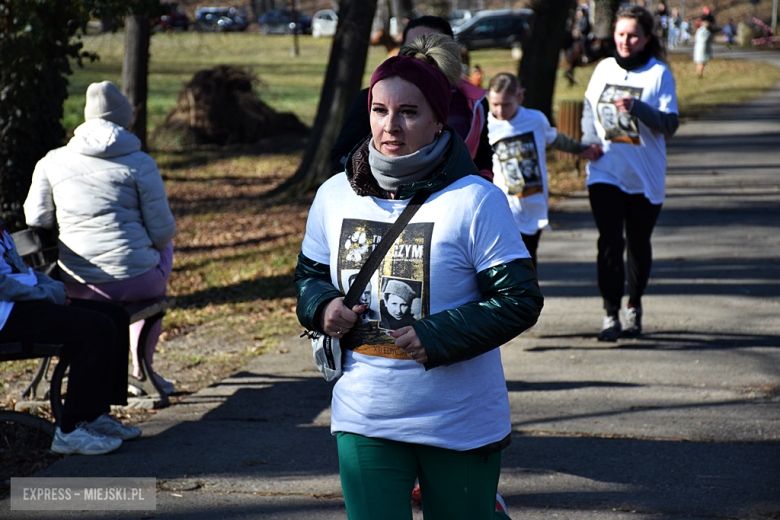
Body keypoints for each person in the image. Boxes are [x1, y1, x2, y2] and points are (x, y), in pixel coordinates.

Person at [295, 38, 544, 519]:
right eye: (379, 110)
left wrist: (437, 335)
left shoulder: (475, 199)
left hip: (460, 420)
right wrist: (322, 306)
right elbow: (309, 275)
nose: (390, 127)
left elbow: (518, 299)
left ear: (437, 119)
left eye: (408, 112)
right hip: (364, 411)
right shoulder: (333, 195)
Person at [24, 81, 177, 393]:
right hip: (137, 280)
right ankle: (139, 368)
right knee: (165, 249)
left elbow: (36, 219)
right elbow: (162, 232)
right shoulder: (141, 163)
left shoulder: (51, 161)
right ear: (123, 118)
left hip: (77, 284)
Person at [580, 5, 679, 342]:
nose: (625, 40)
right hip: (605, 170)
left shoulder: (658, 74)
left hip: (645, 175)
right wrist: (589, 143)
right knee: (609, 242)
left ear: (646, 38)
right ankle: (610, 314)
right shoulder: (603, 68)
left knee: (637, 245)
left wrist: (638, 108)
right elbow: (587, 109)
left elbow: (669, 124)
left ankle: (633, 305)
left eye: (633, 35)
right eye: (621, 34)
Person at [0, 219, 141, 455]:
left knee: (114, 315)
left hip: (21, 302)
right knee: (96, 328)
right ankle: (71, 431)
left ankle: (94, 415)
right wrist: (45, 294)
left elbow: (20, 269)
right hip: (6, 317)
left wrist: (50, 286)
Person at [330, 16, 495, 182]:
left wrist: (482, 184)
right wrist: (373, 181)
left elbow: (482, 154)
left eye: (408, 112)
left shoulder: (475, 102)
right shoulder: (373, 97)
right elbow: (340, 155)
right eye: (413, 47)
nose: (421, 55)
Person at [487, 73, 603, 269]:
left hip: (534, 204)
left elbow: (555, 139)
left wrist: (582, 149)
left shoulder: (535, 119)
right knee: (509, 263)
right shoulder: (487, 126)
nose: (500, 110)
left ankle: (530, 299)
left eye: (506, 104)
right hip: (505, 206)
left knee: (530, 262)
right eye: (495, 104)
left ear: (520, 98)